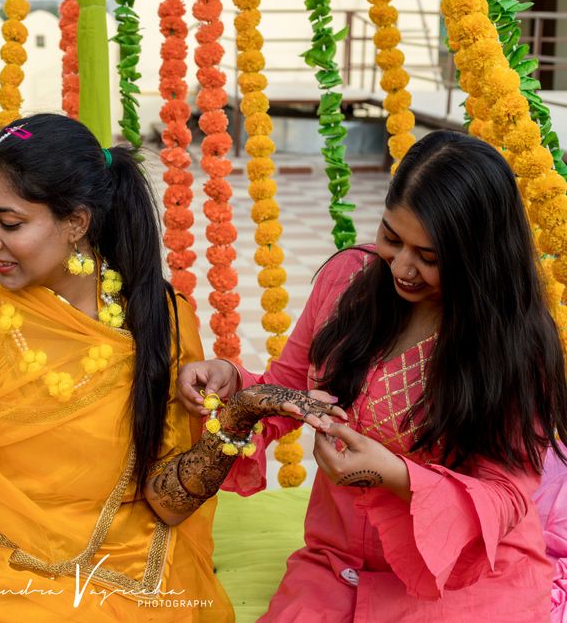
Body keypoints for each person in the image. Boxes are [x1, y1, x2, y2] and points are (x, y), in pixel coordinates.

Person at [0, 113, 323, 622]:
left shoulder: (157, 317)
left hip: (121, 557)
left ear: (77, 222)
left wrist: (235, 420)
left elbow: (167, 503)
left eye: (9, 223)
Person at [178, 130, 567, 621]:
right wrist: (234, 384)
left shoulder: (514, 344)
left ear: (477, 259)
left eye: (428, 257)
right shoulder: (348, 281)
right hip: (339, 563)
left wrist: (400, 478)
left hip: (460, 578)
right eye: (391, 237)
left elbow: (507, 494)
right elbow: (290, 387)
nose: (402, 267)